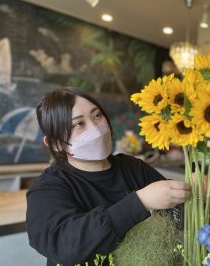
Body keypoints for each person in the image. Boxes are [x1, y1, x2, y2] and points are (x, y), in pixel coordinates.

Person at [26, 87, 191, 266]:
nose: (96, 128)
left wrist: (192, 190)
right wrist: (139, 202)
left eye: (97, 116)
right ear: (55, 143)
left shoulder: (133, 167)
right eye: (78, 124)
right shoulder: (47, 188)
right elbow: (64, 245)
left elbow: (176, 216)